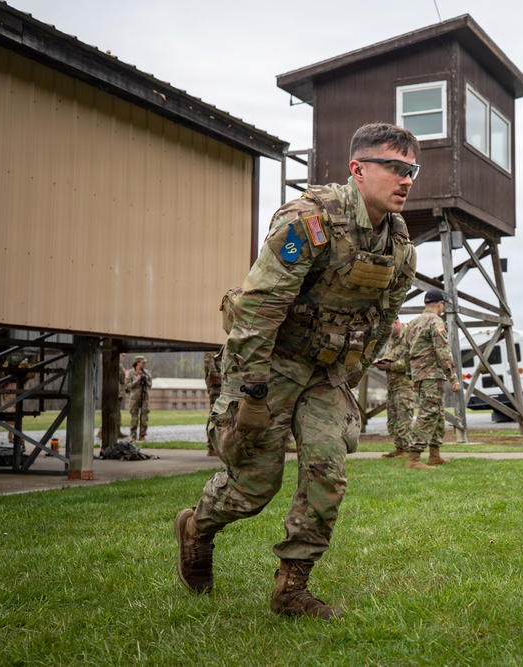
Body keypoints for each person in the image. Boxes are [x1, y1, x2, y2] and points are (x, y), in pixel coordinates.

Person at [174, 122, 420, 620]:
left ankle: (291, 588)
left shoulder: (398, 245)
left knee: (328, 473)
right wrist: (253, 392)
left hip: (326, 372)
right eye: (395, 168)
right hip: (273, 362)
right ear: (358, 169)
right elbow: (258, 308)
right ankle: (197, 528)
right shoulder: (310, 219)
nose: (406, 179)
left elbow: (381, 320)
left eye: (411, 170)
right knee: (253, 486)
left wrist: (347, 379)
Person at [404, 290, 461, 469]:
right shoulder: (436, 322)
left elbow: (407, 354)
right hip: (431, 375)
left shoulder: (412, 324)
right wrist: (453, 377)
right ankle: (413, 458)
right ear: (440, 304)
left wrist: (412, 378)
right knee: (428, 414)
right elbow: (443, 351)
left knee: (438, 414)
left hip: (420, 375)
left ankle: (434, 455)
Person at [375, 318, 416, 459]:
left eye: (389, 327)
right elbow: (390, 357)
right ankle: (399, 448)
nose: (388, 331)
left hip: (405, 386)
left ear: (396, 322)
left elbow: (412, 363)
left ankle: (407, 450)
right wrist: (381, 363)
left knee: (404, 419)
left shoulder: (409, 336)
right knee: (393, 420)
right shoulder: (391, 339)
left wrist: (390, 366)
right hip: (392, 386)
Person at [126, 355, 152, 441]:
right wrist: (136, 380)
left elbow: (150, 385)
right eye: (143, 362)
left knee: (144, 417)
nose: (144, 364)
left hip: (144, 397)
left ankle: (142, 436)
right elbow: (128, 386)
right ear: (138, 363)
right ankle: (133, 436)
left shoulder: (146, 372)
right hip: (134, 398)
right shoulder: (130, 373)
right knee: (134, 417)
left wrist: (146, 380)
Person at [203, 351, 222, 456]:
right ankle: (211, 446)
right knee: (215, 412)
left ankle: (216, 445)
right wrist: (216, 377)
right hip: (216, 384)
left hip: (221, 382)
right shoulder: (210, 350)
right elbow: (209, 362)